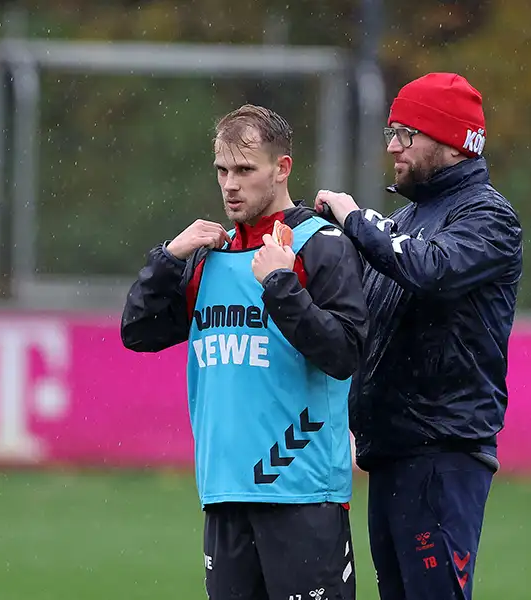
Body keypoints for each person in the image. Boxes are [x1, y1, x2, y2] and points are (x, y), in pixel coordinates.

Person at [121, 104, 368, 600]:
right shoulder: (210, 256)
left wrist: (280, 283)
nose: (230, 185)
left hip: (301, 493)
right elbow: (138, 331)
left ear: (282, 169)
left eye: (244, 170)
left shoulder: (320, 246)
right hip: (224, 494)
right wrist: (169, 258)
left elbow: (344, 353)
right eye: (222, 170)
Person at [314, 73, 523, 600]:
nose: (391, 146)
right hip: (393, 451)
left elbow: (430, 268)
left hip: (441, 452)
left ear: (452, 142)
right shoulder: (409, 218)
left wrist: (355, 218)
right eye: (391, 130)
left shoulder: (490, 216)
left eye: (406, 132)